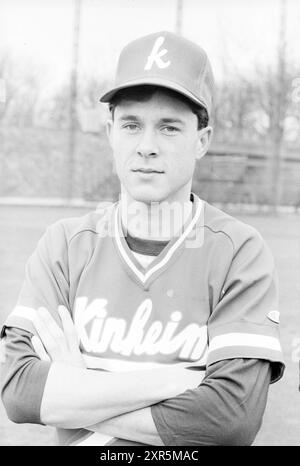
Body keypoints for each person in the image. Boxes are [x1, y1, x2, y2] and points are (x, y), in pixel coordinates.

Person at [0, 31, 284, 446]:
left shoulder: (238, 252)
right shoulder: (64, 246)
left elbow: (230, 417)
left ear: (201, 140)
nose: (146, 146)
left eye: (169, 128)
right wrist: (176, 381)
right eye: (132, 125)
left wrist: (77, 388)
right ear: (111, 132)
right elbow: (20, 392)